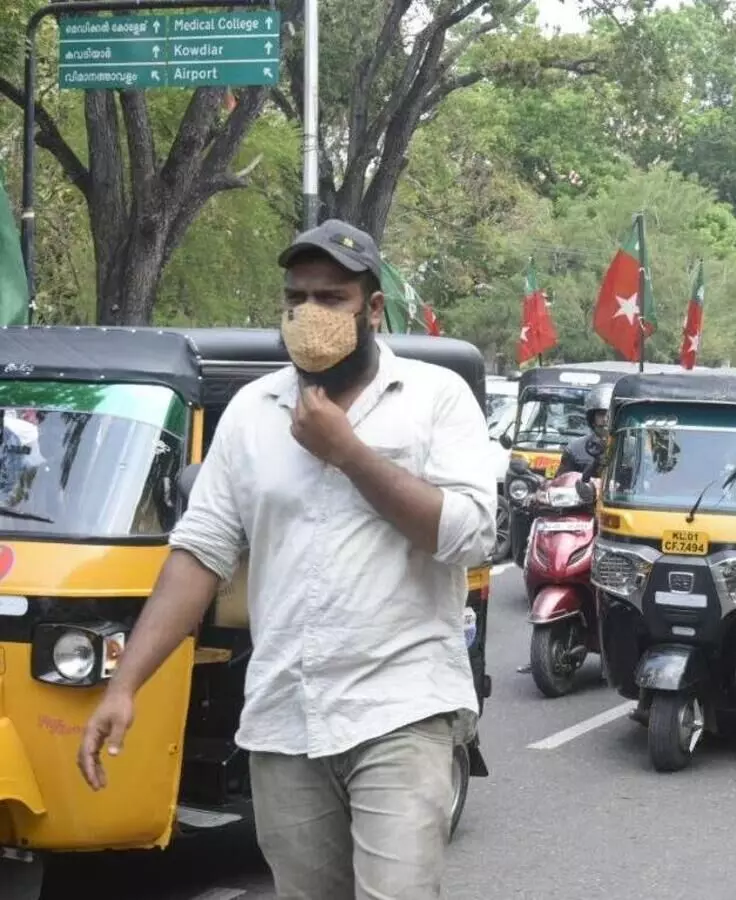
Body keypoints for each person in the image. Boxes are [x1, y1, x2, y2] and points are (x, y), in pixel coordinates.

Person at [76, 219, 496, 900]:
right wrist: (125, 684)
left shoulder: (433, 399)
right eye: (296, 298)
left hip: (403, 708)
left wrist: (350, 455)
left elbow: (470, 534)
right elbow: (200, 554)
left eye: (331, 299)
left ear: (374, 310)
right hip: (284, 717)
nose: (309, 315)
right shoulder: (253, 410)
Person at [558, 383, 612, 480]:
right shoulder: (575, 449)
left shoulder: (633, 449)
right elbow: (562, 482)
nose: (605, 419)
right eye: (601, 414)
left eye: (610, 414)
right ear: (592, 419)